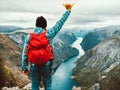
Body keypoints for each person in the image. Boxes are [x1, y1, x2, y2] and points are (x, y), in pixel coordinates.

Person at [22, 3, 74, 90]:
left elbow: (25, 53)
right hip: (46, 65)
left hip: (34, 65)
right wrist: (68, 10)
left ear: (36, 24)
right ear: (45, 26)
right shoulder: (49, 34)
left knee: (34, 86)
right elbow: (60, 23)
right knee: (48, 86)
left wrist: (24, 67)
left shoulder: (29, 37)